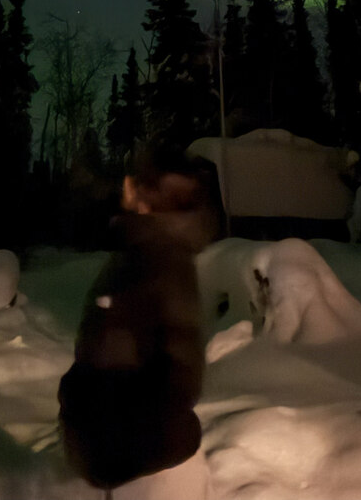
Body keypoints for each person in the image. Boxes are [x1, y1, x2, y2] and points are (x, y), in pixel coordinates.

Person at [58, 147, 219, 498]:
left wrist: (116, 430)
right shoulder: (141, 250)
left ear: (155, 195)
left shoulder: (163, 260)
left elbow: (181, 375)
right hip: (110, 449)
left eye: (142, 184)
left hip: (127, 454)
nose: (129, 188)